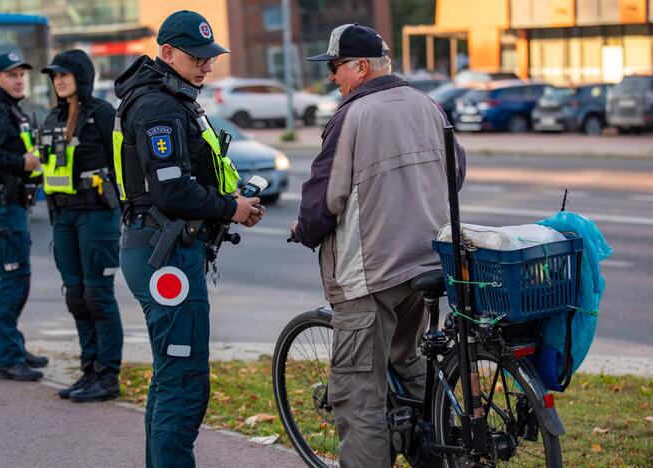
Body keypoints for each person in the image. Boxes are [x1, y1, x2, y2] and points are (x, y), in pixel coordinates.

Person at [289, 24, 467, 467]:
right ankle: (436, 451)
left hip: (371, 274)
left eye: (335, 68)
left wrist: (304, 229)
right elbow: (455, 171)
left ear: (361, 67)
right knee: (409, 358)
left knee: (357, 393)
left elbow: (324, 199)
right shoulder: (428, 105)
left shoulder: (351, 116)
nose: (333, 78)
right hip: (427, 262)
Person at [113, 10, 263, 467]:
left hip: (164, 247)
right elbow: (171, 189)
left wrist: (227, 197)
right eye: (197, 57)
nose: (206, 65)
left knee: (170, 375)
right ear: (167, 53)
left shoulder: (171, 97)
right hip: (166, 254)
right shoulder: (158, 104)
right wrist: (229, 208)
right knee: (184, 381)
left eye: (210, 56)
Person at [40, 50, 124, 402]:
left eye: (65, 74)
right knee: (75, 296)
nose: (58, 80)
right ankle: (88, 370)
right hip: (64, 217)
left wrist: (127, 209)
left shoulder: (102, 114)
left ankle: (107, 376)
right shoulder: (52, 119)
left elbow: (123, 164)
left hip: (97, 215)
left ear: (82, 77)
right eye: (54, 75)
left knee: (97, 296)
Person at [0, 52, 48, 381]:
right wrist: (23, 164)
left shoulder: (10, 108)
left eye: (21, 74)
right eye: (11, 75)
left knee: (18, 279)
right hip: (3, 205)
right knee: (12, 281)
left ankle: (14, 346)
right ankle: (8, 358)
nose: (18, 80)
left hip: (14, 204)